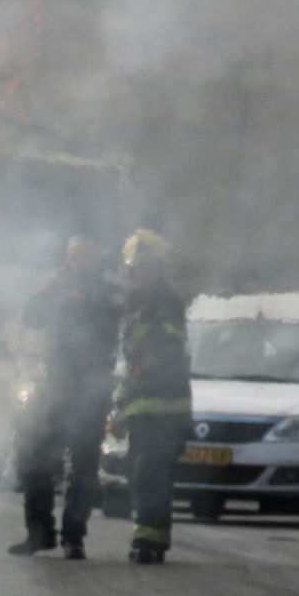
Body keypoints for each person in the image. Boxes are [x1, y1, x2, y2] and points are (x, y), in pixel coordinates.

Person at [9, 236, 124, 560]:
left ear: (96, 259)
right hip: (57, 387)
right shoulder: (58, 286)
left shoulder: (108, 290)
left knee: (83, 467)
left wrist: (82, 301)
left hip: (90, 390)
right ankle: (39, 533)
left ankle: (74, 537)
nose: (77, 263)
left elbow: (115, 313)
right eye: (73, 256)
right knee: (35, 460)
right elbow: (32, 318)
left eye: (83, 257)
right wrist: (52, 293)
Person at [111, 229, 192, 565]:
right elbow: (129, 364)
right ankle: (151, 537)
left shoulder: (166, 302)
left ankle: (149, 541)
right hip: (141, 406)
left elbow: (161, 353)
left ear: (158, 268)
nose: (139, 273)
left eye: (146, 266)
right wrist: (119, 406)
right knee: (143, 473)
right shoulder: (135, 304)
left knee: (150, 473)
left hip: (166, 407)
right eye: (135, 267)